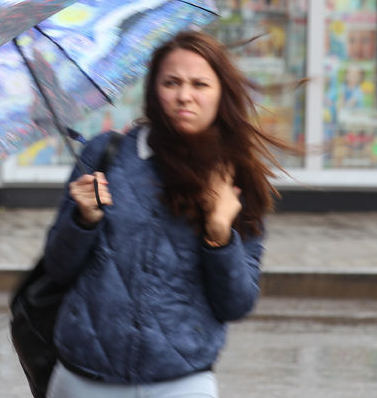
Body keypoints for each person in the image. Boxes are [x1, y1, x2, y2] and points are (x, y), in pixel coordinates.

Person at [42, 30, 298, 397]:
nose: (184, 96)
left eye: (200, 84)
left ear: (221, 93)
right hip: (85, 380)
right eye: (171, 82)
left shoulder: (235, 178)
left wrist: (219, 233)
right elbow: (57, 268)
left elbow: (236, 304)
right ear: (153, 90)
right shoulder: (104, 156)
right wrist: (84, 220)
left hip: (181, 383)